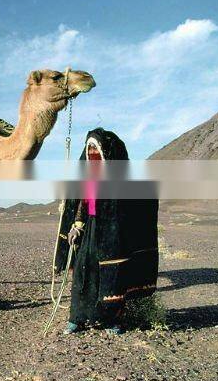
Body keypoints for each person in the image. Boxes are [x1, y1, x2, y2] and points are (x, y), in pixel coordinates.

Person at [54, 128, 159, 334]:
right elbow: (83, 205)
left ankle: (112, 321)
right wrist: (76, 226)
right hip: (90, 232)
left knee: (112, 277)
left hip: (113, 237)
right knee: (83, 274)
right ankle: (78, 318)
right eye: (89, 149)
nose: (92, 152)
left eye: (96, 149)